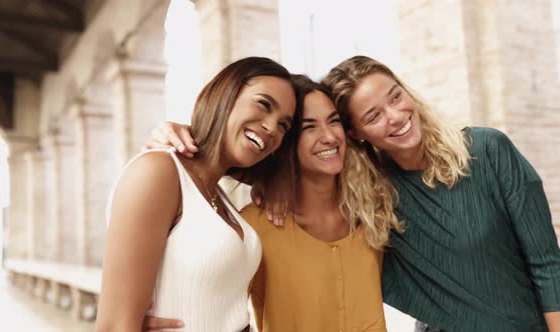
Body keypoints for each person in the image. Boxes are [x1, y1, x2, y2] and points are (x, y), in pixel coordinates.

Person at [147, 56, 560, 332]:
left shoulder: (480, 154)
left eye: (396, 96)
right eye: (373, 115)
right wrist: (187, 141)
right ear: (358, 133)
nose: (396, 117)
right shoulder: (362, 198)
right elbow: (215, 280)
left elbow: (546, 263)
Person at [144, 74, 401, 332]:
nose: (329, 137)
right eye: (308, 127)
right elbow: (208, 297)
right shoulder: (254, 228)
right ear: (284, 143)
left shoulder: (374, 210)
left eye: (333, 122)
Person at [94, 56, 296, 332]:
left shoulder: (219, 195)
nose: (272, 128)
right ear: (224, 94)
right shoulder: (159, 172)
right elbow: (115, 326)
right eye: (263, 104)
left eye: (284, 125)